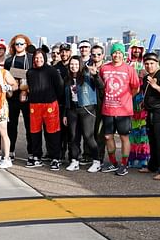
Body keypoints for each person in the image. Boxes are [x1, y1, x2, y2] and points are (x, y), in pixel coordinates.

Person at [99, 43, 140, 176]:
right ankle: (112, 162)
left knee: (124, 137)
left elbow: (136, 88)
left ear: (123, 55)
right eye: (115, 52)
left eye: (119, 53)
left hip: (123, 111)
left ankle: (124, 164)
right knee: (107, 136)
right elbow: (101, 86)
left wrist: (127, 97)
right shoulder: (104, 68)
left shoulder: (129, 69)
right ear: (111, 54)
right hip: (107, 109)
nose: (117, 55)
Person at [62, 55, 103, 173]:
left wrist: (96, 75)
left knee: (88, 136)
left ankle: (97, 161)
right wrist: (65, 113)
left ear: (80, 65)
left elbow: (101, 86)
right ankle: (74, 160)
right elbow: (66, 98)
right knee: (73, 136)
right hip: (72, 110)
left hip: (87, 109)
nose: (73, 66)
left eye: (76, 64)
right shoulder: (67, 79)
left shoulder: (87, 75)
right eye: (71, 64)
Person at [25, 47, 64, 170]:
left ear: (44, 58)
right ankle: (37, 156)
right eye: (36, 58)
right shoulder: (30, 72)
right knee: (34, 132)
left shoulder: (52, 71)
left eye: (41, 57)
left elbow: (60, 87)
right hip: (34, 106)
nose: (38, 60)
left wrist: (57, 100)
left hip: (50, 105)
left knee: (53, 132)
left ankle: (55, 157)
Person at [4, 34, 32, 159]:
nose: (19, 46)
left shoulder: (31, 59)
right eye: (17, 44)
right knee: (12, 125)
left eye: (22, 43)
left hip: (28, 96)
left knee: (29, 125)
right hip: (13, 96)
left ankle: (32, 152)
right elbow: (5, 76)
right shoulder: (9, 60)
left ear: (26, 44)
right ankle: (10, 150)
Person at [127, 40, 149, 169]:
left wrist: (144, 76)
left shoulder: (145, 64)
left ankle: (144, 157)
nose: (136, 51)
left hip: (143, 101)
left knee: (143, 131)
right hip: (130, 101)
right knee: (132, 131)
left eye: (138, 49)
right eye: (134, 49)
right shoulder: (127, 64)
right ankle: (132, 156)